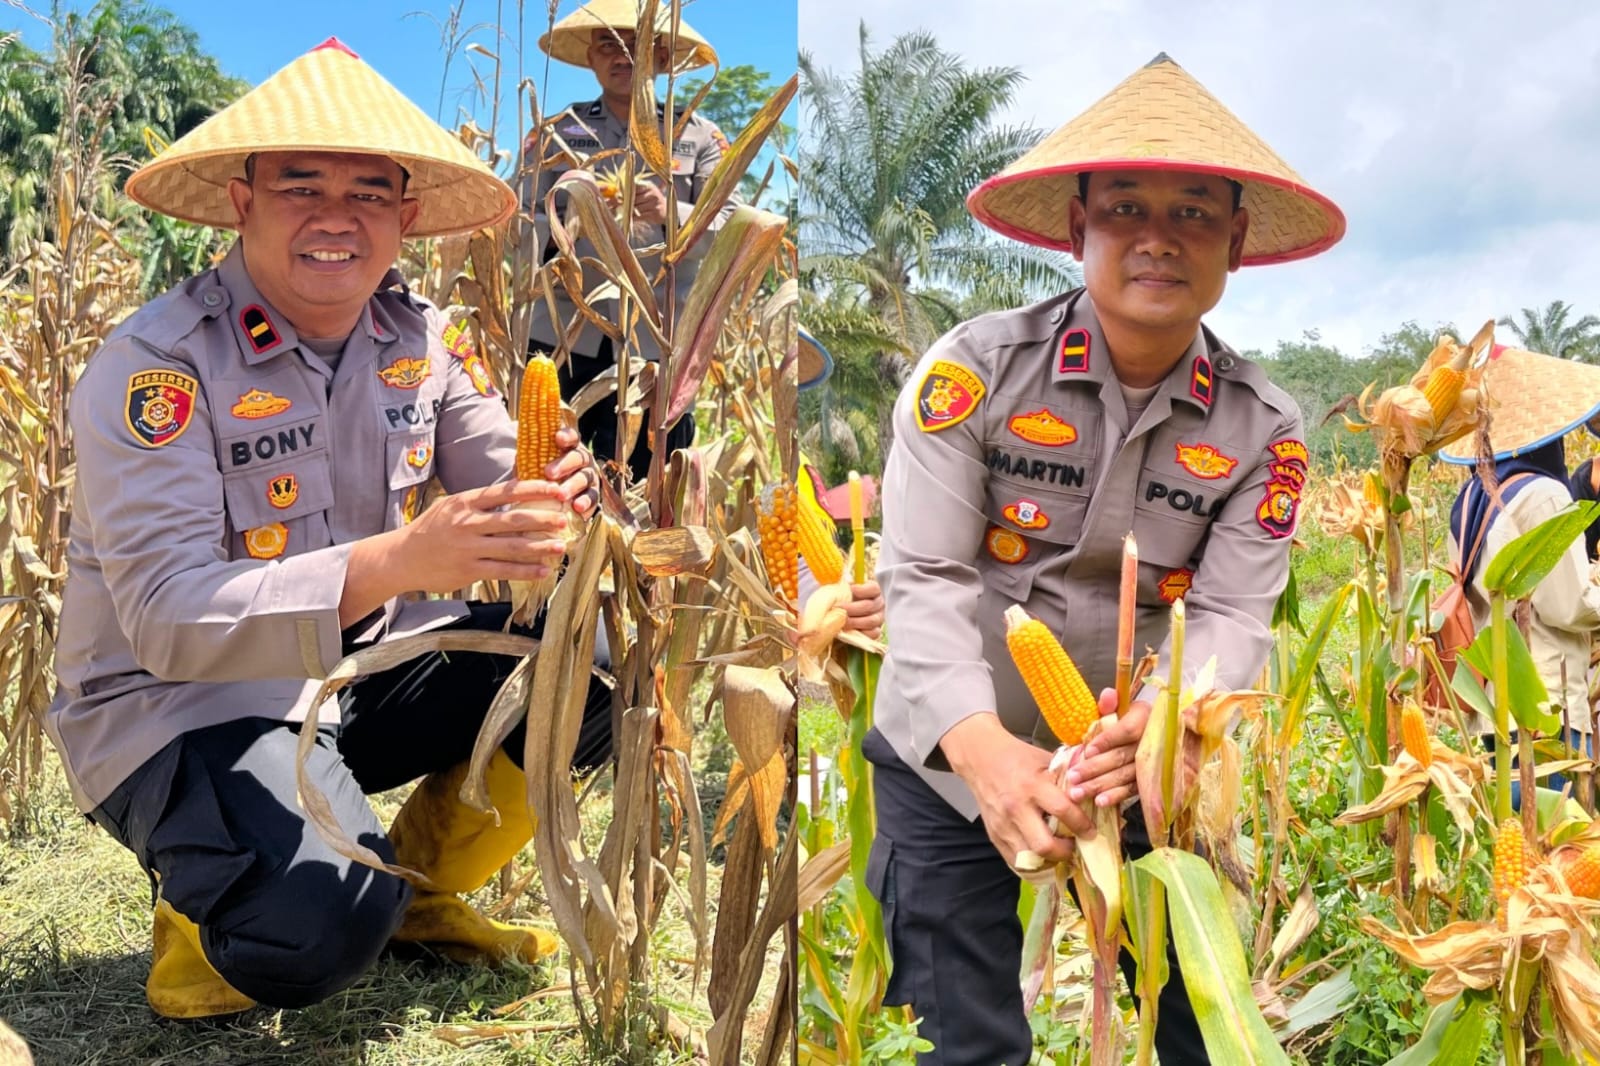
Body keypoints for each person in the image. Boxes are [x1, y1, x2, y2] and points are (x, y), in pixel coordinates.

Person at [46, 39, 612, 1020]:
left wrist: (565, 484)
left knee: (588, 665)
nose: (335, 218)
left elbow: (507, 471)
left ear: (403, 214)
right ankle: (204, 917)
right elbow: (166, 622)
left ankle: (421, 897)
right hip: (175, 709)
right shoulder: (158, 369)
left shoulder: (420, 338)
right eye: (300, 186)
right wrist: (403, 557)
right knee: (317, 926)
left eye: (366, 192)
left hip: (341, 680)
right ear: (241, 200)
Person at [864, 53, 1345, 1064]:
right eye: (1126, 207)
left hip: (1149, 768)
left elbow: (1228, 614)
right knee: (957, 1044)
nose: (1158, 239)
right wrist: (987, 755)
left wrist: (1157, 728)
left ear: (1237, 238)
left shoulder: (1266, 429)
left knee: (1203, 1032)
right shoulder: (972, 372)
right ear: (1077, 224)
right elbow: (927, 576)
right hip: (951, 755)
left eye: (1194, 214)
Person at [524, 0, 737, 484]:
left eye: (638, 47)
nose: (622, 57)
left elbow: (731, 225)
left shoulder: (699, 136)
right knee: (553, 475)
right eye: (608, 46)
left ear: (663, 60)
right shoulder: (558, 131)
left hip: (659, 341)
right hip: (565, 334)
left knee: (650, 482)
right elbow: (518, 217)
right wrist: (567, 218)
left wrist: (670, 215)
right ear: (591, 59)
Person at [1441, 347, 1600, 786]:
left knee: (1516, 838)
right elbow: (1570, 606)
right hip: (1546, 706)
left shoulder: (1472, 495)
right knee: (1557, 839)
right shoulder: (1547, 494)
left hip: (1496, 701)